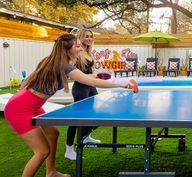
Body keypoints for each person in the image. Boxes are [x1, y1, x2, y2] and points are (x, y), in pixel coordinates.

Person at [4, 34, 138, 177]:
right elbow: (93, 82)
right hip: (19, 109)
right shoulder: (64, 66)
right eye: (78, 46)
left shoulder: (53, 62)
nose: (80, 49)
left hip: (31, 104)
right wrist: (123, 85)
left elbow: (86, 78)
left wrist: (92, 77)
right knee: (42, 151)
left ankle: (51, 172)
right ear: (68, 49)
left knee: (53, 133)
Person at [65, 29, 99, 161]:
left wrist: (95, 75)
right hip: (81, 89)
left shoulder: (89, 52)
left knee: (95, 115)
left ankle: (85, 137)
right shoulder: (78, 53)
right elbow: (71, 73)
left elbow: (89, 72)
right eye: (86, 36)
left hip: (91, 87)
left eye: (91, 36)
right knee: (77, 118)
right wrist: (89, 76)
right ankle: (69, 149)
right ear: (80, 37)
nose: (89, 38)